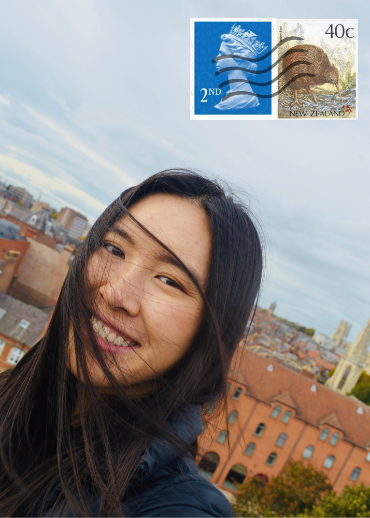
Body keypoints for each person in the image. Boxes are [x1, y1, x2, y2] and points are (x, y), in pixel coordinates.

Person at [0, 169, 263, 517]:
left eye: (169, 280)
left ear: (212, 332)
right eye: (113, 248)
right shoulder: (12, 399)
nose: (115, 293)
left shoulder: (180, 509)